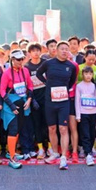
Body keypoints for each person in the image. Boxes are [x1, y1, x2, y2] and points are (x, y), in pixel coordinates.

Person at [36, 41, 77, 170]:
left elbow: (72, 81)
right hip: (50, 100)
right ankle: (54, 153)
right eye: (62, 49)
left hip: (64, 101)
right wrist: (47, 83)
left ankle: (63, 156)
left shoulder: (71, 66)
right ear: (56, 50)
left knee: (63, 128)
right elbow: (38, 73)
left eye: (66, 49)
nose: (64, 51)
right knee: (52, 128)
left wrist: (64, 89)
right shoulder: (48, 63)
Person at [0, 49, 34, 169]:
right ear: (12, 60)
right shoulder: (7, 73)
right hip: (11, 104)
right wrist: (11, 106)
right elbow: (2, 91)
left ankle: (12, 151)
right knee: (13, 129)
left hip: (24, 103)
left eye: (22, 59)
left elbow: (30, 86)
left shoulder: (25, 71)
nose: (20, 61)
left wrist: (29, 100)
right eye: (18, 59)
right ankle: (11, 158)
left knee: (19, 127)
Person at [25, 42, 48, 159]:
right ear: (29, 53)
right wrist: (32, 99)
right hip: (34, 99)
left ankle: (50, 147)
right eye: (33, 51)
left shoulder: (46, 63)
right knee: (37, 124)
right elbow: (27, 86)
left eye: (38, 50)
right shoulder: (27, 67)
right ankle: (40, 148)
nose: (36, 53)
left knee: (48, 124)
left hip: (47, 98)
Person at [75, 66, 96, 166]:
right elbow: (77, 101)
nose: (88, 76)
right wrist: (78, 115)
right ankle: (88, 153)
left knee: (92, 133)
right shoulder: (79, 86)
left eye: (90, 74)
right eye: (86, 74)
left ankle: (89, 149)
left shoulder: (94, 86)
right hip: (83, 113)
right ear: (82, 75)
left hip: (93, 113)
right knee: (85, 133)